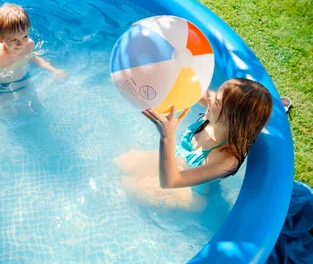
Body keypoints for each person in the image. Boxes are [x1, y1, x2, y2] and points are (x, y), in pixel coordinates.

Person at [114, 78, 273, 210]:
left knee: (131, 187)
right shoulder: (215, 114)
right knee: (123, 162)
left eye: (217, 102)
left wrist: (167, 135)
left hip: (191, 193)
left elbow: (171, 182)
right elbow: (188, 88)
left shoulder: (227, 159)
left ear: (233, 120)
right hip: (178, 162)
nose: (210, 99)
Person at [0, 3, 66, 87]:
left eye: (25, 36)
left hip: (24, 78)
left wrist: (53, 70)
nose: (21, 44)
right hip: (1, 86)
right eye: (14, 40)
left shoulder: (29, 44)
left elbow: (33, 58)